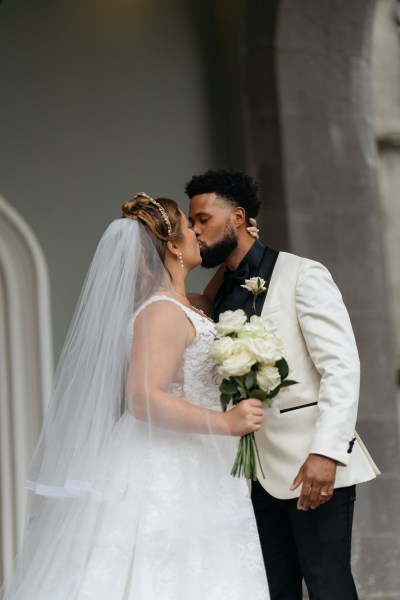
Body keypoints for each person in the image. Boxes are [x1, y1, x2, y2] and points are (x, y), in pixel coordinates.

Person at [0, 193, 269, 600]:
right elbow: (144, 398)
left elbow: (204, 304)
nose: (198, 232)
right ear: (174, 246)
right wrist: (226, 424)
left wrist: (239, 248)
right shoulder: (161, 311)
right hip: (166, 465)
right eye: (189, 226)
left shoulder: (184, 305)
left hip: (200, 462)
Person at [186, 169, 380, 600]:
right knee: (271, 590)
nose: (195, 230)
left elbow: (341, 368)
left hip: (307, 465)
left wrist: (326, 452)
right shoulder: (216, 293)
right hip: (247, 475)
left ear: (237, 217)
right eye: (191, 222)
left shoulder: (303, 274)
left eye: (202, 219)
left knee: (328, 585)